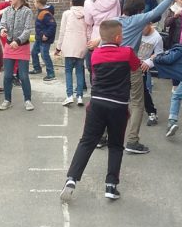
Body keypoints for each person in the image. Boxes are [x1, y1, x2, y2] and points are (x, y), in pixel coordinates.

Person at [90, 0, 182, 154]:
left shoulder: (112, 22)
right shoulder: (139, 20)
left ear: (124, 7)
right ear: (140, 10)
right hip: (130, 65)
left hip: (109, 66)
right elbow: (158, 11)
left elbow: (103, 42)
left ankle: (102, 136)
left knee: (108, 99)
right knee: (136, 102)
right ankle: (132, 141)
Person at [60, 20, 141, 202]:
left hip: (97, 103)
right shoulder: (127, 52)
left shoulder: (95, 54)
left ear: (102, 37)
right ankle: (111, 186)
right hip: (118, 105)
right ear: (118, 37)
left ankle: (71, 179)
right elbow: (136, 66)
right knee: (115, 145)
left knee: (87, 142)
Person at [0, 0, 35, 112]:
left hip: (22, 47)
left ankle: (28, 100)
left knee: (23, 76)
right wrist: (2, 30)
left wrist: (18, 41)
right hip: (9, 47)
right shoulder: (7, 11)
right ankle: (7, 100)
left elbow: (27, 30)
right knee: (7, 76)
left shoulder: (27, 11)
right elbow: (2, 24)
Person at [83, 0, 121, 87]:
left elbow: (88, 21)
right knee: (112, 65)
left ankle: (96, 89)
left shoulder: (89, 1)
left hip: (96, 35)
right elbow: (118, 17)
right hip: (113, 35)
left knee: (95, 66)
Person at [55, 0, 89, 106]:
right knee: (79, 71)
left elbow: (62, 32)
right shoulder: (86, 13)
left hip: (68, 45)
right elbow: (88, 30)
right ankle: (79, 97)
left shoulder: (67, 14)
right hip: (82, 45)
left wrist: (58, 47)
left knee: (68, 71)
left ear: (72, 1)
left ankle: (69, 96)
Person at [138, 23, 164, 126]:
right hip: (129, 61)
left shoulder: (157, 37)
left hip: (142, 65)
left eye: (143, 27)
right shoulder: (136, 30)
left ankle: (152, 113)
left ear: (149, 24)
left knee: (143, 90)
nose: (141, 30)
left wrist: (149, 62)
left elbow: (159, 54)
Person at [30, 0, 56, 81]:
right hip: (39, 37)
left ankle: (51, 73)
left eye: (34, 2)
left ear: (38, 3)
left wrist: (46, 35)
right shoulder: (41, 11)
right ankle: (37, 68)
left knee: (44, 55)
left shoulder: (45, 13)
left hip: (44, 39)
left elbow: (52, 25)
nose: (33, 3)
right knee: (34, 52)